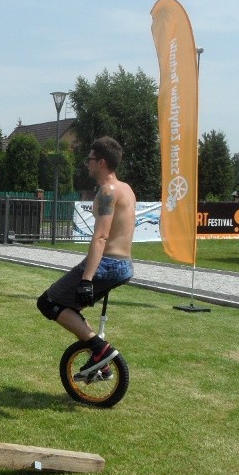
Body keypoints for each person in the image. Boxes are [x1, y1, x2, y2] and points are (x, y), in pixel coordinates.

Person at [36, 136, 135, 379]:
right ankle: (101, 361)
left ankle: (100, 350)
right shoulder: (126, 189)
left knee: (48, 303)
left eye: (89, 159)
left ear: (101, 162)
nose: (86, 163)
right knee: (69, 306)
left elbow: (101, 237)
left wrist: (87, 279)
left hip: (108, 263)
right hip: (124, 265)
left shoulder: (108, 191)